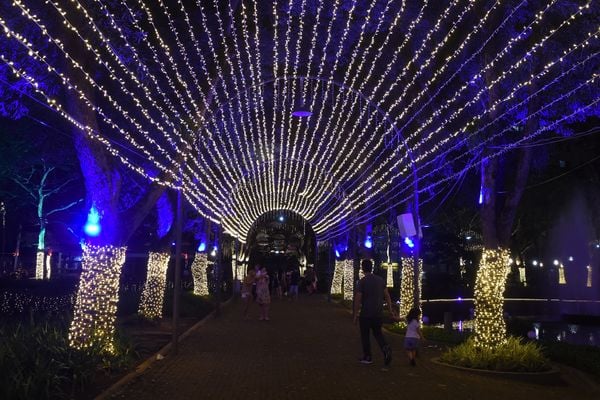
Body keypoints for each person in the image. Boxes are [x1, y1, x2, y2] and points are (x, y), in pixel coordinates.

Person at [353, 259, 396, 369]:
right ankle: (385, 348)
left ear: (362, 268)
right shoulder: (380, 280)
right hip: (378, 313)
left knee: (365, 335)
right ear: (371, 267)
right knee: (378, 333)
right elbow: (387, 296)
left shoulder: (362, 282)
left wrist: (355, 315)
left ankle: (368, 357)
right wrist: (390, 309)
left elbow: (358, 299)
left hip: (366, 313)